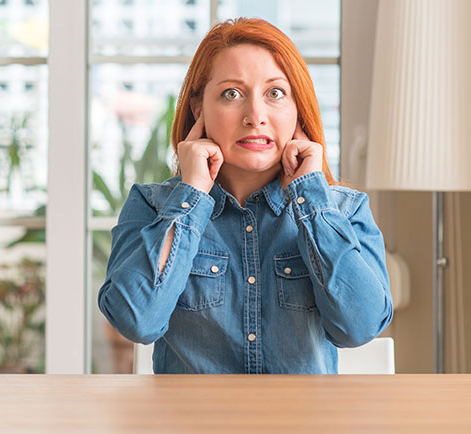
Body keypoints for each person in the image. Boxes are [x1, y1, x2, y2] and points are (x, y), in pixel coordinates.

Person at [98, 18, 393, 374]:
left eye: (275, 93)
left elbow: (359, 328)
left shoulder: (345, 210)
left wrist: (312, 202)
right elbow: (135, 321)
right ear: (198, 109)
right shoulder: (152, 205)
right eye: (232, 94)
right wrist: (190, 196)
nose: (255, 116)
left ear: (297, 108)